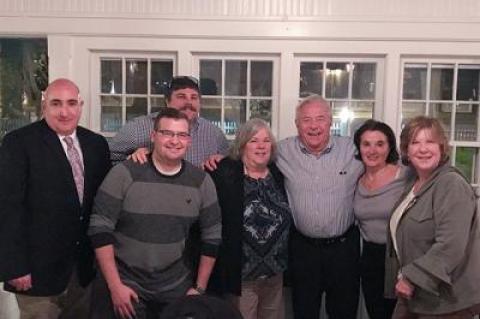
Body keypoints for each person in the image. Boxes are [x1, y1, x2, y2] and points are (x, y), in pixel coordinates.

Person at [88, 108, 222, 319]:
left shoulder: (201, 182)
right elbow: (99, 228)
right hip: (125, 286)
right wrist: (115, 287)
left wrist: (199, 289)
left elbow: (212, 237)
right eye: (167, 133)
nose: (174, 141)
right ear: (153, 136)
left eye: (181, 135)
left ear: (189, 140)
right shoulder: (124, 173)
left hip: (176, 289)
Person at [0, 78, 111, 319]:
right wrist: (13, 266)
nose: (64, 112)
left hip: (83, 271)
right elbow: (8, 209)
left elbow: (102, 204)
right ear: (44, 107)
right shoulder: (18, 143)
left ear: (80, 106)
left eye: (72, 103)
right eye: (56, 103)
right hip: (35, 272)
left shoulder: (96, 144)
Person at [276, 95, 363, 319]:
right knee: (304, 311)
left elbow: (386, 158)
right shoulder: (282, 151)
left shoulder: (353, 150)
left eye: (320, 119)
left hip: (343, 249)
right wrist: (221, 158)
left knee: (344, 312)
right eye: (306, 120)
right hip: (303, 250)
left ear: (330, 122)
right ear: (297, 125)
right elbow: (249, 153)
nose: (313, 126)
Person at [386, 116, 480, 319]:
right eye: (415, 142)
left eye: (430, 142)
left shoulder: (450, 184)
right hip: (418, 296)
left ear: (441, 147)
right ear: (406, 151)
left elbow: (451, 245)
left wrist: (411, 278)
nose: (423, 149)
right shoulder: (413, 185)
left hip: (447, 302)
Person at [207, 118, 291, 319]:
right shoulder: (224, 172)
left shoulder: (278, 174)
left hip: (274, 273)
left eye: (266, 140)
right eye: (254, 141)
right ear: (242, 145)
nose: (261, 146)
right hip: (241, 276)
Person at [109, 76, 228, 167]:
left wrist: (220, 161)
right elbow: (108, 159)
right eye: (181, 97)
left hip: (196, 196)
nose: (189, 103)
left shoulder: (214, 134)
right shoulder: (137, 128)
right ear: (167, 101)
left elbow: (229, 167)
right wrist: (131, 160)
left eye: (194, 97)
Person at [353, 120, 406, 319]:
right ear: (359, 147)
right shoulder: (357, 179)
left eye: (380, 144)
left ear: (390, 146)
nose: (372, 150)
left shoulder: (406, 176)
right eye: (366, 144)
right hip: (369, 258)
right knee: (376, 313)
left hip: (399, 258)